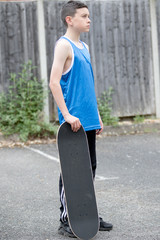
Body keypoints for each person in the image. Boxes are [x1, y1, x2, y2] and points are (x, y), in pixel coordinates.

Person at [49, 0, 113, 237]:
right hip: (73, 122)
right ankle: (66, 218)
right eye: (84, 16)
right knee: (71, 171)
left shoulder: (83, 47)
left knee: (89, 169)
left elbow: (88, 85)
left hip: (88, 119)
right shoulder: (63, 46)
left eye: (89, 16)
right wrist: (67, 115)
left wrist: (96, 115)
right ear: (70, 20)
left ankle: (86, 213)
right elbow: (54, 82)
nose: (89, 19)